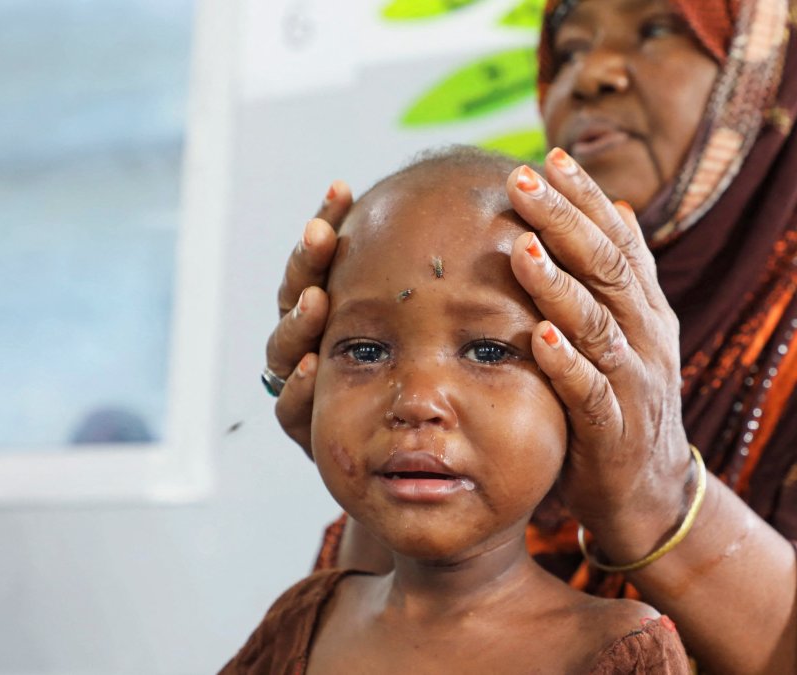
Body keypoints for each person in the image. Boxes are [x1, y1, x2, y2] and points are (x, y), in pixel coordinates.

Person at [262, 0, 797, 672]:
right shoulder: (532, 293)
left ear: (782, 61)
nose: (589, 77)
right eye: (570, 43)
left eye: (659, 26)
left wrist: (659, 499)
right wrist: (369, 460)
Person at [227, 148, 690, 674]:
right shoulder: (300, 624)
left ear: (581, 395)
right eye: (365, 351)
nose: (416, 402)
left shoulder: (615, 654)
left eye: (489, 352)